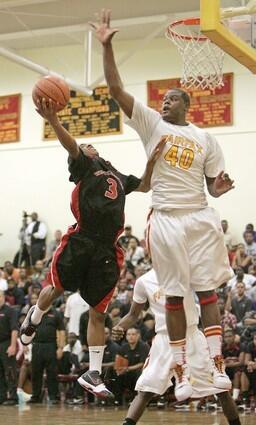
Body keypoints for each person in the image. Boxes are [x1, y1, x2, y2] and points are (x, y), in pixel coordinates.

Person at [91, 9, 234, 401]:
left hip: (200, 215)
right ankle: (182, 370)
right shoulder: (153, 123)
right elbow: (118, 90)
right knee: (173, 295)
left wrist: (219, 188)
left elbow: (213, 187)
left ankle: (218, 366)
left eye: (171, 99)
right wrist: (107, 47)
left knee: (207, 294)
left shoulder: (207, 139)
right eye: (163, 99)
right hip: (167, 217)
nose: (164, 102)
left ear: (186, 105)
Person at [20, 98, 166, 400]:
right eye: (84, 146)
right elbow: (71, 146)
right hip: (82, 239)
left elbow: (146, 186)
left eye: (89, 145)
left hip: (106, 249)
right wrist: (55, 121)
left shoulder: (118, 175)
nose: (87, 146)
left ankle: (93, 372)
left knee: (98, 311)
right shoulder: (85, 166)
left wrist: (152, 160)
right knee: (55, 290)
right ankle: (34, 317)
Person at [112, 269, 241, 425]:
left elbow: (207, 293)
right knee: (145, 391)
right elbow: (133, 314)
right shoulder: (143, 281)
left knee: (221, 390)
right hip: (163, 340)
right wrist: (119, 326)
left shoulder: (185, 270)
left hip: (191, 336)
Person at [0, 290, 19, 405]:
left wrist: (12, 345)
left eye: (0, 296)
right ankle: (1, 396)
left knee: (10, 371)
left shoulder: (10, 311)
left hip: (6, 343)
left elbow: (14, 329)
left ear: (3, 297)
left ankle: (13, 396)